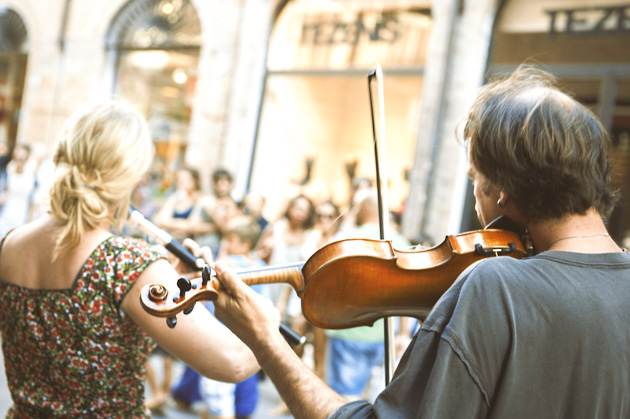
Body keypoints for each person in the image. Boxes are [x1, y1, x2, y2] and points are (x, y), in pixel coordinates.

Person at [209, 65, 630, 418]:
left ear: (502, 188)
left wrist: (265, 338)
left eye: (474, 181)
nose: (477, 198)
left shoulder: (497, 286)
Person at [0, 101, 260, 417]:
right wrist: (267, 328)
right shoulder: (128, 263)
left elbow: (100, 338)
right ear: (134, 177)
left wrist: (174, 287)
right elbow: (233, 361)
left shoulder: (9, 244)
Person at [323, 188, 412, 402]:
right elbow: (408, 293)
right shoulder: (400, 243)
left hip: (349, 330)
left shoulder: (348, 239)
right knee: (366, 399)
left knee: (344, 399)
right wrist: (402, 333)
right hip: (383, 335)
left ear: (362, 208)